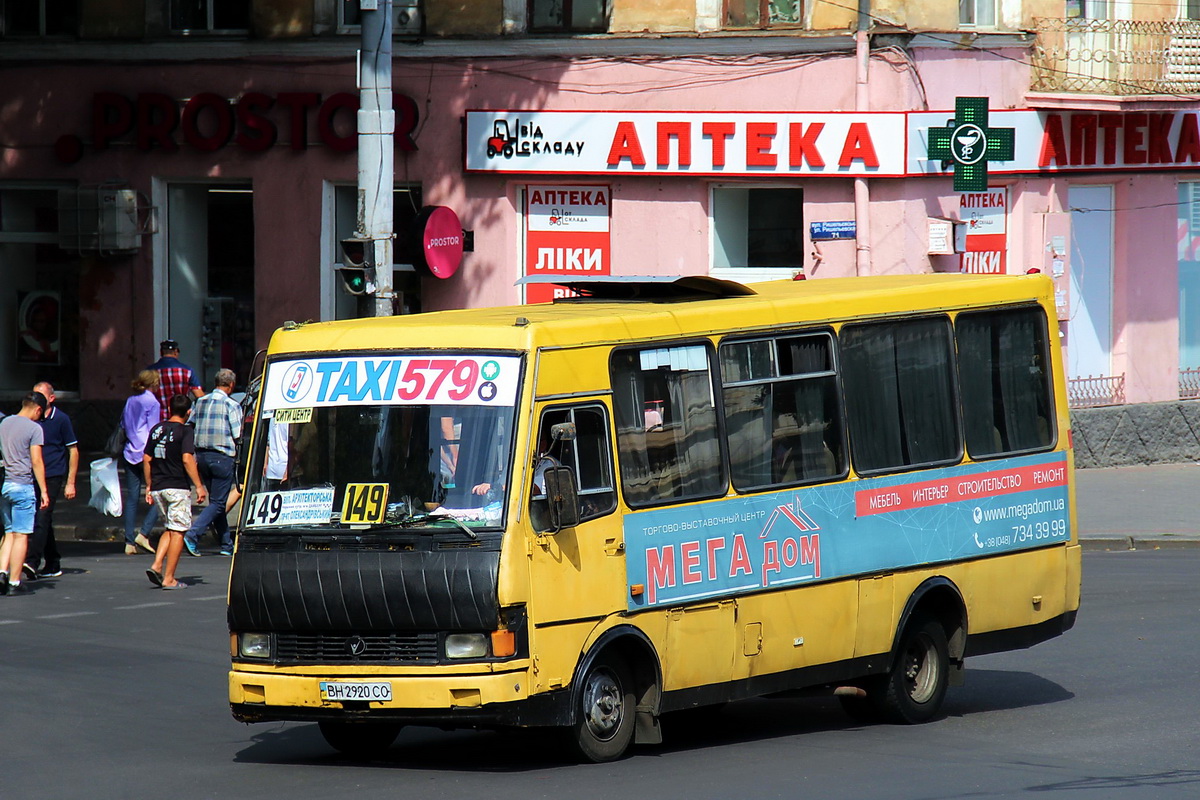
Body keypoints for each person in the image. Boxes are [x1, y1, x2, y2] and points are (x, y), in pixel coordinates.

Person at [144, 394, 207, 590]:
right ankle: (169, 578)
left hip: (158, 486)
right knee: (179, 531)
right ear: (188, 412)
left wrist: (148, 485)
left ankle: (157, 564)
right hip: (177, 486)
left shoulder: (157, 429)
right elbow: (187, 458)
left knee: (170, 529)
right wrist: (199, 485)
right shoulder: (185, 431)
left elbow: (146, 458)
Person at [184, 368, 242, 557]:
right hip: (222, 456)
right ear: (231, 385)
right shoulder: (231, 405)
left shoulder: (200, 402)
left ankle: (226, 544)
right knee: (218, 503)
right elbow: (238, 435)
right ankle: (193, 534)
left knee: (216, 501)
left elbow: (189, 425)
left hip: (201, 457)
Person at [24, 382, 77, 579]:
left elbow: (73, 450)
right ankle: (53, 562)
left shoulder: (61, 419)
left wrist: (70, 482)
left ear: (51, 399)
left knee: (42, 517)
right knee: (43, 520)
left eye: (41, 395)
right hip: (31, 474)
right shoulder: (30, 419)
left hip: (53, 474)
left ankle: (31, 561)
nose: (36, 399)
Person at [0, 392, 50, 595]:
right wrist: (44, 490)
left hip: (4, 485)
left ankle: (1, 572)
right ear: (38, 409)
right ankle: (14, 582)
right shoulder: (34, 429)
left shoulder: (4, 423)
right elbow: (37, 461)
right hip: (22, 484)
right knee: (22, 535)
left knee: (9, 532)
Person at [121, 370, 162, 555]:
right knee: (159, 493)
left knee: (132, 497)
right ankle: (144, 533)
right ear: (153, 383)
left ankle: (129, 541)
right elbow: (154, 430)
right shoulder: (152, 402)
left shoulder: (131, 400)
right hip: (146, 452)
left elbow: (123, 424)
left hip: (130, 450)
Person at [147, 338, 202, 422]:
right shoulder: (187, 371)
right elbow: (200, 396)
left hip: (157, 420)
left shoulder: (149, 372)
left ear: (161, 352)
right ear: (176, 352)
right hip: (181, 420)